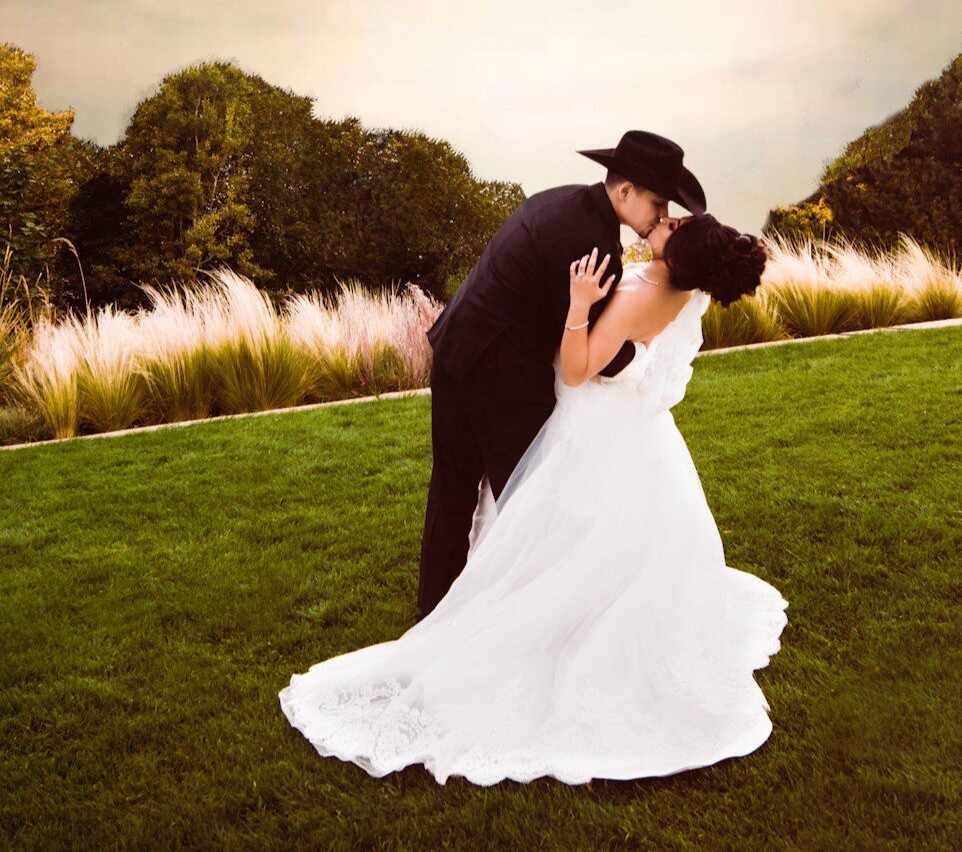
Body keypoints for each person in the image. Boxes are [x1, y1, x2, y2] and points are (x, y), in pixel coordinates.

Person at [279, 211, 789, 786]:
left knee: (564, 539)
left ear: (677, 253)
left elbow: (576, 371)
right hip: (635, 432)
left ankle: (560, 630)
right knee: (607, 544)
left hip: (593, 427)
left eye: (674, 226)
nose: (664, 221)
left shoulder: (643, 293)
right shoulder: (679, 288)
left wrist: (576, 303)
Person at [416, 129, 708, 621]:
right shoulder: (592, 246)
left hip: (456, 348)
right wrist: (643, 357)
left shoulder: (563, 200)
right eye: (658, 202)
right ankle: (526, 619)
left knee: (453, 488)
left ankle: (434, 615)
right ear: (624, 192)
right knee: (530, 503)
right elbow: (591, 356)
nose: (662, 215)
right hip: (499, 378)